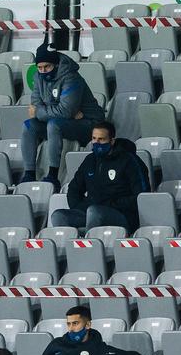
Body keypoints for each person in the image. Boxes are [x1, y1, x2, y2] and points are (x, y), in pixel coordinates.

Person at [20, 40, 105, 191]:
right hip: (67, 120)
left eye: (47, 66)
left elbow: (63, 111)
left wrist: (45, 112)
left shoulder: (71, 77)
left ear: (56, 64)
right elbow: (35, 105)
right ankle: (29, 174)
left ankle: (53, 176)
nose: (43, 71)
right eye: (40, 67)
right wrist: (63, 113)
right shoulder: (38, 77)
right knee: (28, 126)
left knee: (54, 124)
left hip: (89, 123)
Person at [51, 121, 150, 233]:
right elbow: (74, 189)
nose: (96, 142)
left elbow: (141, 195)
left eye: (101, 139)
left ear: (111, 141)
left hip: (122, 214)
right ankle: (70, 249)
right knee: (59, 216)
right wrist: (79, 207)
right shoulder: (90, 160)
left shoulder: (130, 161)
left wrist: (111, 204)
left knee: (94, 212)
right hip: (91, 211)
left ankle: (90, 247)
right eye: (94, 138)